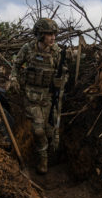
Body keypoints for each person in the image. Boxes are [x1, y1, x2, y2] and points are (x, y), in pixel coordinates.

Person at [9, 18, 67, 174]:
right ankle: (43, 160)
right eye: (49, 34)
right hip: (31, 95)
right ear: (40, 35)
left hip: (48, 97)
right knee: (38, 130)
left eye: (54, 34)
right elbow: (16, 64)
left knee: (49, 130)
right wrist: (13, 78)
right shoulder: (28, 49)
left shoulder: (57, 52)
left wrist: (60, 82)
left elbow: (64, 73)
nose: (53, 37)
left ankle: (47, 153)